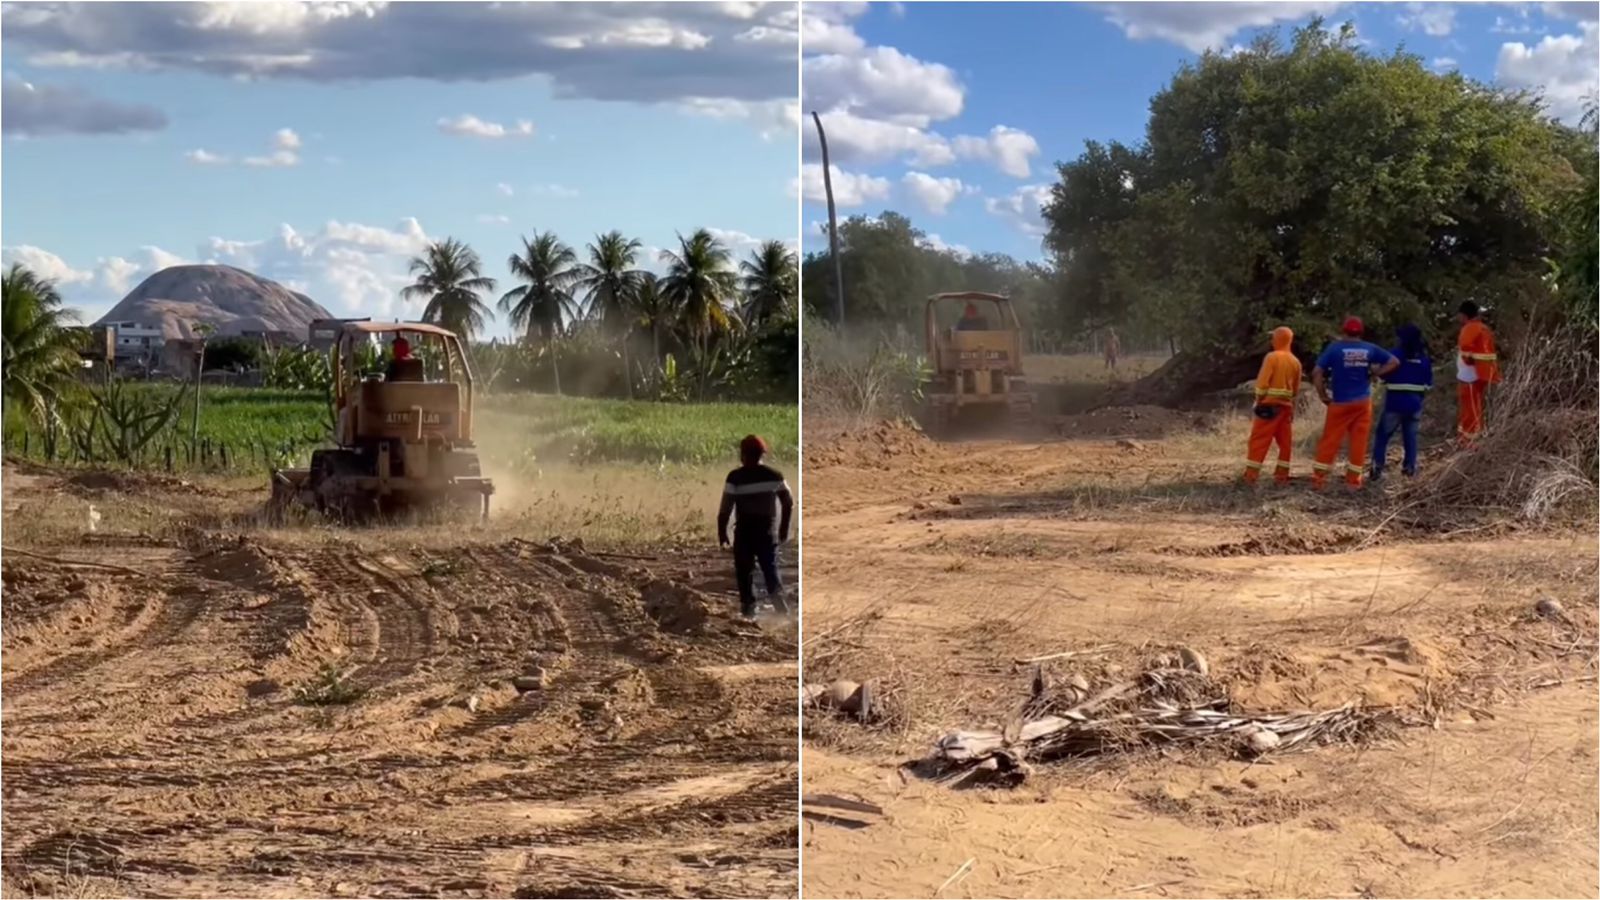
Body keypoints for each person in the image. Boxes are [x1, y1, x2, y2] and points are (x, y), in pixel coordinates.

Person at [1310, 316, 1399, 490]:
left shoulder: (1334, 349)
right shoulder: (1370, 348)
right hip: (1362, 403)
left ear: (1344, 331)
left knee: (1330, 440)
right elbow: (1394, 362)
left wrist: (1322, 395)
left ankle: (1319, 480)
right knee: (1359, 441)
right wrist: (1377, 373)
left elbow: (1316, 372)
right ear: (1361, 332)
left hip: (1340, 402)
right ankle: (1353, 481)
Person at [717, 435, 794, 620]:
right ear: (762, 454)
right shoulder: (774, 475)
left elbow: (725, 508)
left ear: (742, 455)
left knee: (745, 571)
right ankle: (782, 613)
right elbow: (788, 502)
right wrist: (783, 528)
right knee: (770, 571)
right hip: (767, 532)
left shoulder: (735, 477)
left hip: (744, 532)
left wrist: (722, 532)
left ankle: (748, 612)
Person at [1370, 324, 1433, 482]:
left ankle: (1377, 467)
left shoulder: (1394, 355)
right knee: (1410, 438)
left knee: (1382, 435)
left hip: (1395, 402)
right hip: (1415, 403)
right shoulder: (1424, 359)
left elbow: (1383, 374)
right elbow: (1428, 385)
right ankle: (1409, 469)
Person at [1242, 326, 1302, 485]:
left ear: (1277, 339)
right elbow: (1295, 391)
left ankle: (1251, 476)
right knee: (1285, 443)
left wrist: (1258, 399)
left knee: (1258, 441)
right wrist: (1292, 410)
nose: (1271, 341)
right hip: (1286, 408)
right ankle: (1282, 477)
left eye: (1273, 338)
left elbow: (1262, 384)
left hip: (1268, 406)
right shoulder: (1296, 362)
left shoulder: (1271, 357)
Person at [1455, 300, 1500, 446]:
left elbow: (1466, 352)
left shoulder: (1470, 328)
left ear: (1463, 315)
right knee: (1475, 406)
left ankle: (1470, 441)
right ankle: (1471, 437)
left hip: (1469, 376)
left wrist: (1467, 361)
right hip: (1480, 374)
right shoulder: (1483, 328)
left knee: (1470, 408)